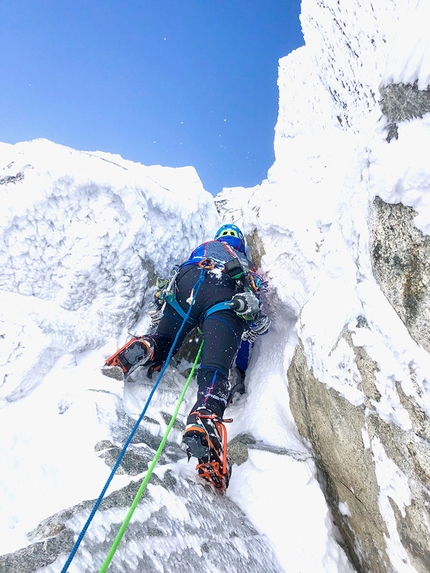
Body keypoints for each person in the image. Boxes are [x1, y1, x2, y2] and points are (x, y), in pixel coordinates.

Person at [101, 224, 270, 490]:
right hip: (226, 289)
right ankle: (205, 418)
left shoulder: (202, 248)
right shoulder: (240, 261)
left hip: (186, 281)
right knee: (215, 367)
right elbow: (258, 304)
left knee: (166, 341)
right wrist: (257, 315)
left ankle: (146, 346)